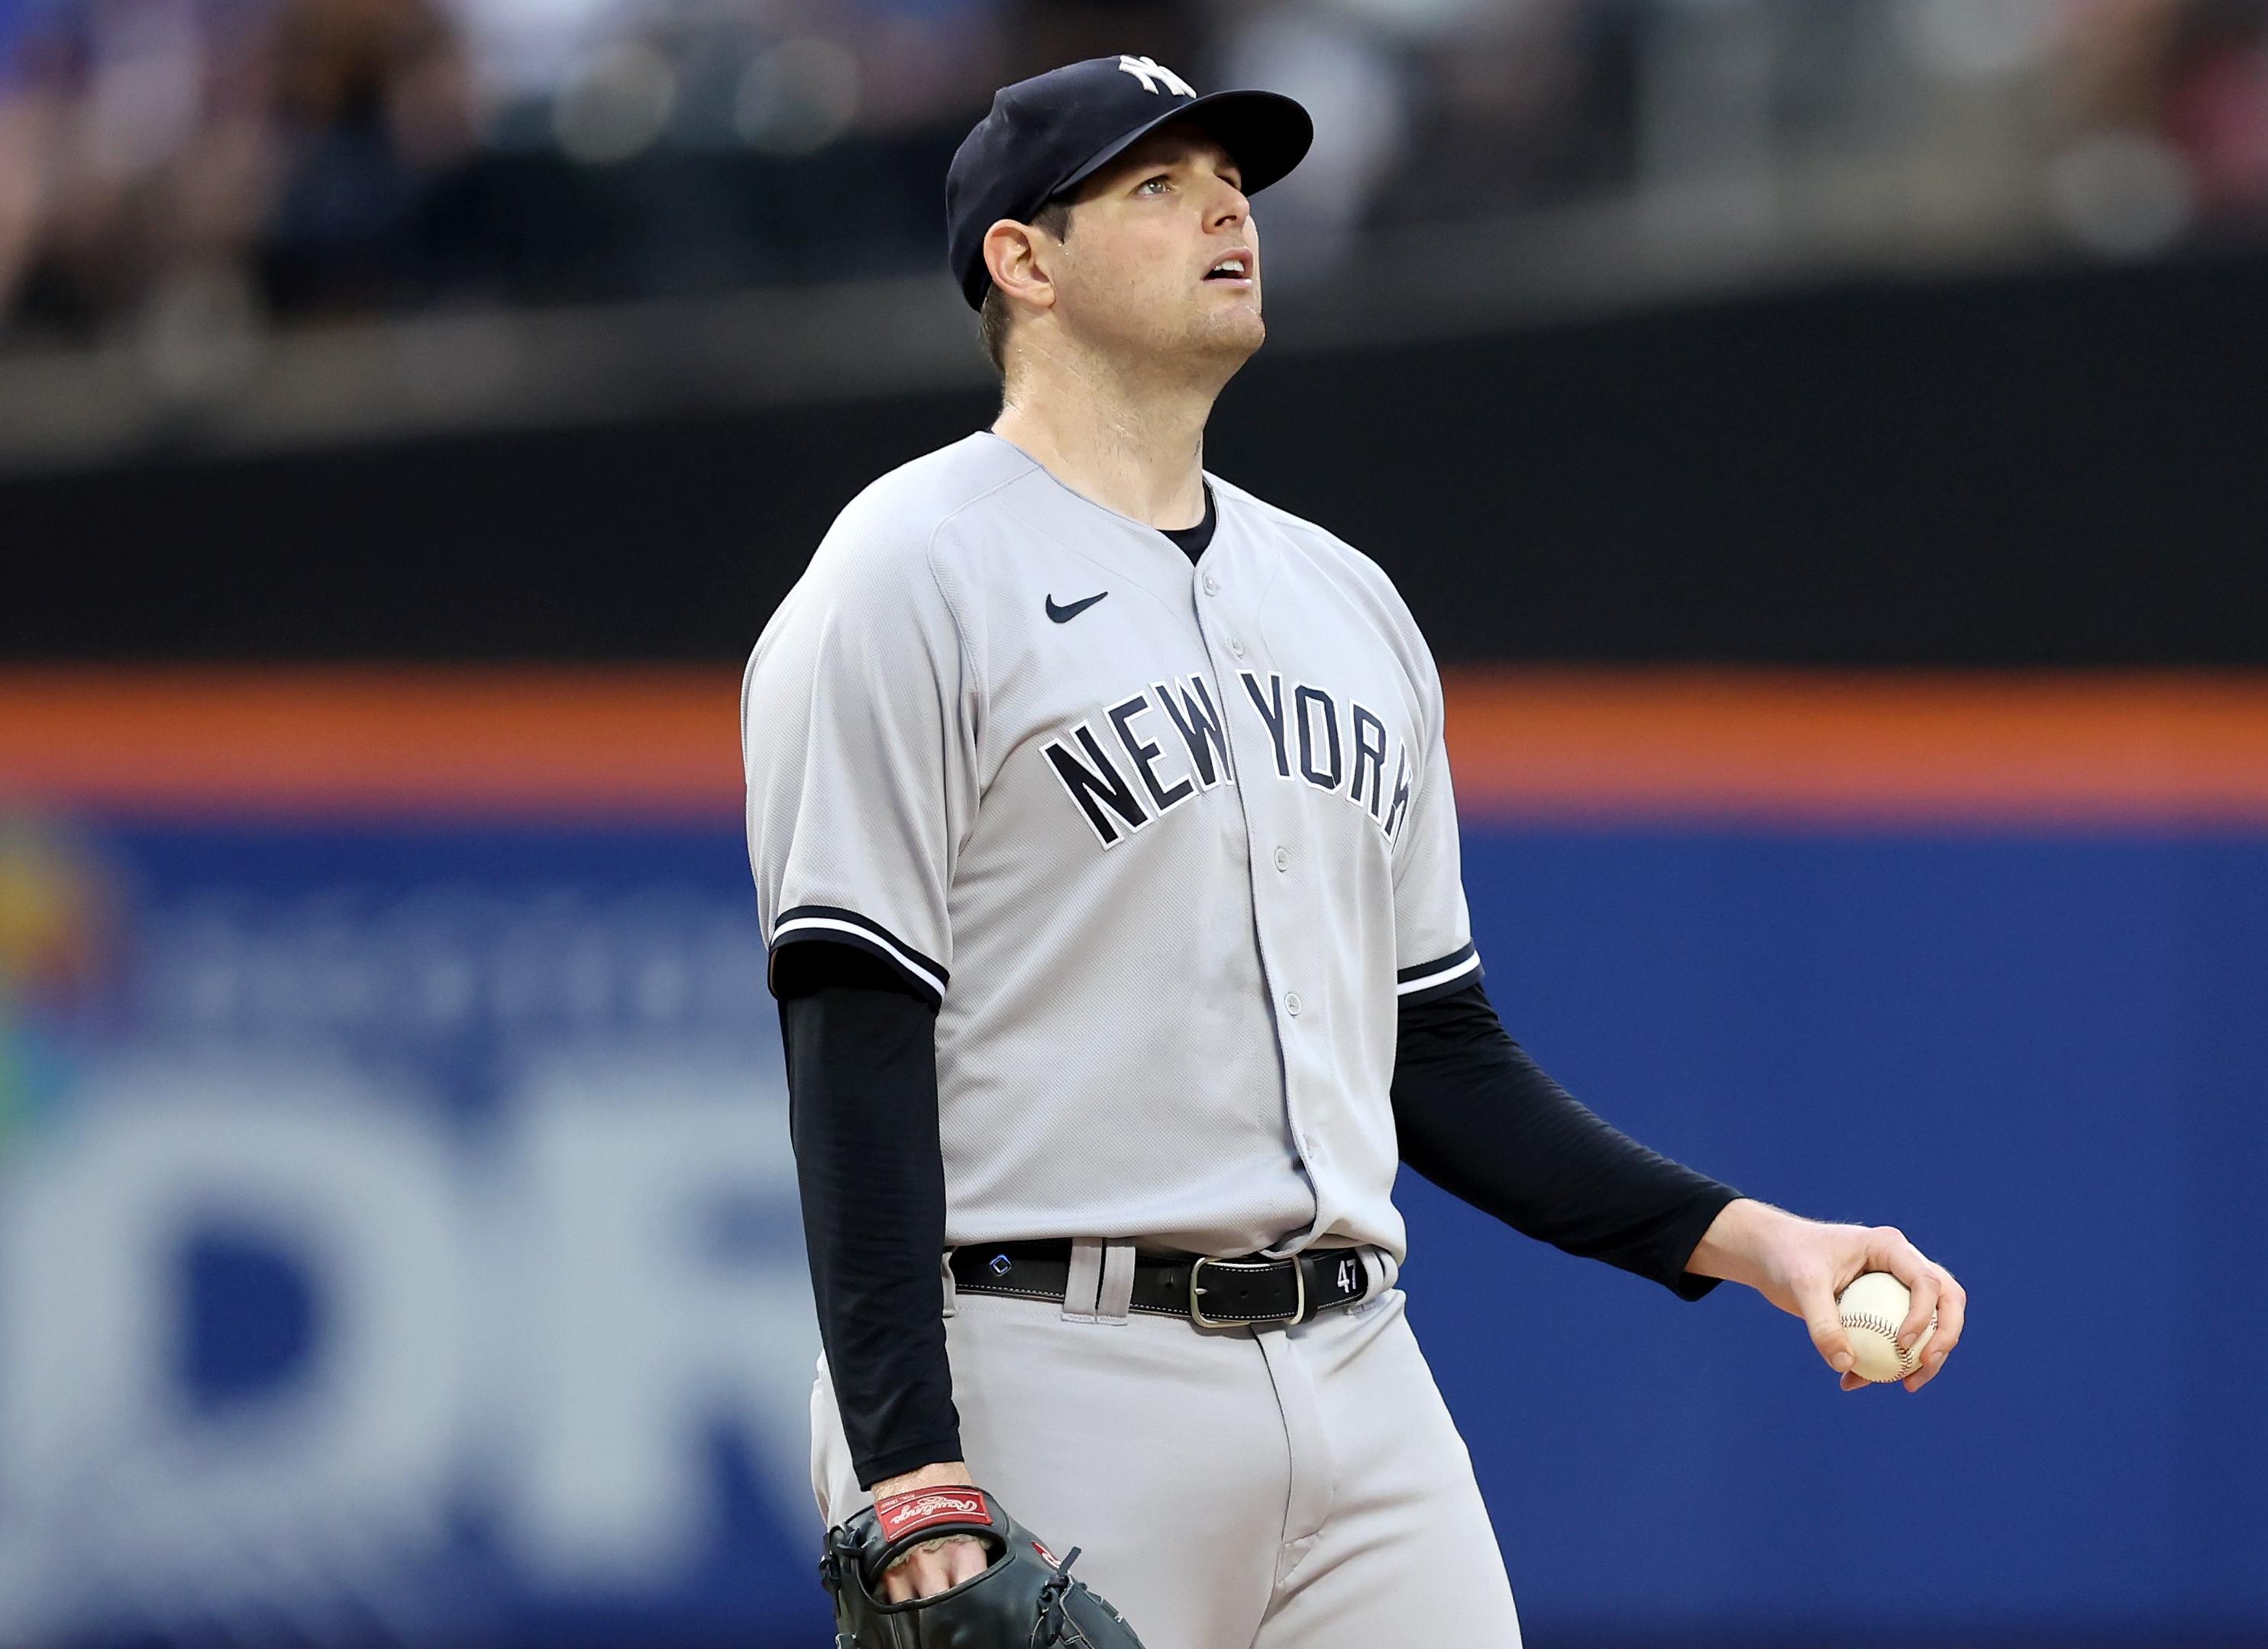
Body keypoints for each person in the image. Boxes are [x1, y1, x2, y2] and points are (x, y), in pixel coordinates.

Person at [741, 52, 1965, 1647]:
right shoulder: (908, 573)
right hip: (1046, 1364)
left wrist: (1761, 1243)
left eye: (1234, 181)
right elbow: (854, 1043)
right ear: (1022, 262)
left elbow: (1438, 1053)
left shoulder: (1344, 602)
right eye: (1156, 187)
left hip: (1357, 1370)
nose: (1226, 212)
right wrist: (910, 1465)